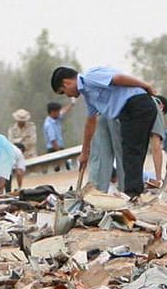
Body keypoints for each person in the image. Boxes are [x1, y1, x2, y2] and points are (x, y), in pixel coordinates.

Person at [50, 65, 159, 198]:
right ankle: (134, 191)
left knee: (131, 152)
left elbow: (119, 78)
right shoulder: (89, 96)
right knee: (132, 152)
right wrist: (84, 153)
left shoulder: (90, 77)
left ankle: (132, 194)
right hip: (127, 112)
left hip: (136, 105)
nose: (67, 95)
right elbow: (90, 123)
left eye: (63, 91)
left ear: (67, 82)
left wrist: (146, 86)